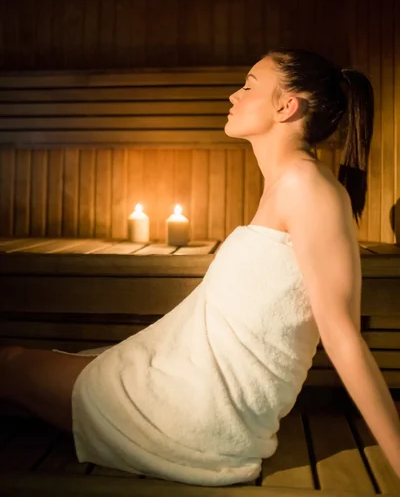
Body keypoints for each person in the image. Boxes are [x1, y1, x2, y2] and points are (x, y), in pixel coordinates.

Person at [1, 48, 400, 484]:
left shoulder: (308, 187)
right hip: (191, 392)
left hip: (195, 412)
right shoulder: (292, 184)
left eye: (249, 85)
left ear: (287, 106)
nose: (234, 95)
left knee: (9, 363)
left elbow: (342, 335)